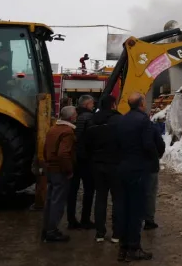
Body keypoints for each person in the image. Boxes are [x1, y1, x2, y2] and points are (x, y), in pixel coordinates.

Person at [116, 92, 157, 262]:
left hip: (123, 169)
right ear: (141, 104)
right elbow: (148, 144)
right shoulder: (144, 121)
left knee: (124, 209)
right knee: (136, 210)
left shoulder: (122, 120)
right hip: (139, 170)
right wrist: (154, 159)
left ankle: (123, 247)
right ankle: (134, 247)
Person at [85, 95, 123, 243]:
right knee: (117, 199)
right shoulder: (119, 120)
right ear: (113, 105)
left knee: (100, 198)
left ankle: (100, 233)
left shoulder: (93, 120)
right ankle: (116, 234)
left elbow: (86, 144)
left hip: (97, 165)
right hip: (115, 164)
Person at [42, 105, 78, 243]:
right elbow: (63, 153)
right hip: (60, 171)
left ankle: (46, 228)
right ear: (70, 117)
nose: (76, 116)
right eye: (75, 114)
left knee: (50, 200)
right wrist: (69, 170)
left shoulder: (53, 129)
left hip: (50, 168)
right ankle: (52, 231)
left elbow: (46, 149)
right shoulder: (67, 132)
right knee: (58, 201)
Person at [67, 94, 96, 229]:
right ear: (86, 105)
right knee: (89, 190)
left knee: (72, 190)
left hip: (73, 158)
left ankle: (71, 220)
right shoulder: (90, 117)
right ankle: (85, 219)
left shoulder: (73, 117)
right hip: (86, 159)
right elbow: (91, 138)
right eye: (91, 104)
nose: (93, 106)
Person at [143, 109, 166, 231]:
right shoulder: (151, 128)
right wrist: (157, 155)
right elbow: (161, 145)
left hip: (133, 165)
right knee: (150, 193)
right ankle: (148, 219)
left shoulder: (126, 124)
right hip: (151, 166)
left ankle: (132, 218)